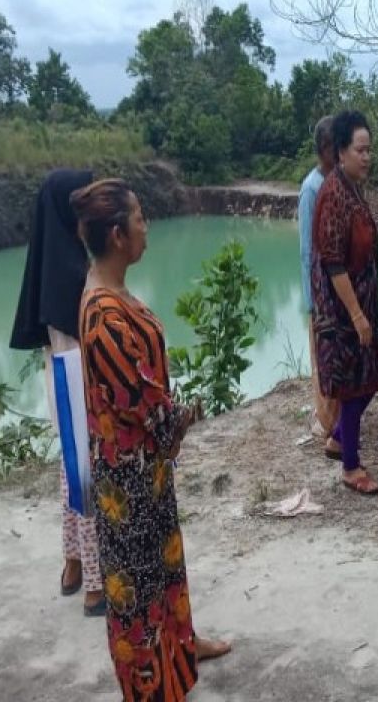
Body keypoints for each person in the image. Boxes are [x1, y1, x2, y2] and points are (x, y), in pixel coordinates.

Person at [72, 179, 230, 699]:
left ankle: (179, 656)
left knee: (163, 579)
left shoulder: (110, 291)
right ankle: (149, 687)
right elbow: (145, 408)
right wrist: (181, 418)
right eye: (139, 218)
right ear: (118, 234)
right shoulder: (103, 318)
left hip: (146, 476)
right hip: (128, 490)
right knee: (137, 600)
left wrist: (170, 419)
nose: (147, 227)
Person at [9, 168, 105, 615]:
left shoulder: (51, 264)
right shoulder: (76, 273)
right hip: (81, 394)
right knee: (86, 482)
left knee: (71, 479)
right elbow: (82, 348)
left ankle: (72, 563)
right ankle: (95, 585)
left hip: (64, 396)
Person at [312, 110, 378, 495]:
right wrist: (356, 315)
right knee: (355, 386)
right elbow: (332, 261)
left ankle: (340, 436)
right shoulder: (333, 194)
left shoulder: (353, 187)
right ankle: (351, 466)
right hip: (342, 312)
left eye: (369, 149)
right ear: (341, 152)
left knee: (372, 374)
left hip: (361, 304)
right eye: (360, 150)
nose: (367, 156)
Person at [299, 116, 341, 439]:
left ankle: (336, 420)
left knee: (338, 357)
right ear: (325, 149)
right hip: (320, 292)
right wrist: (312, 299)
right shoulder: (312, 188)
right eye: (336, 146)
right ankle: (325, 422)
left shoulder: (337, 181)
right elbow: (306, 249)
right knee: (322, 359)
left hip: (339, 289)